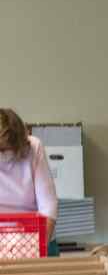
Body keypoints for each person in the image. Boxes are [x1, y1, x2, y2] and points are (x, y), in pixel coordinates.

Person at [0, 108, 58, 252]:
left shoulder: (33, 146)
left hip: (34, 235)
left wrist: (38, 249)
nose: (6, 156)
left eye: (10, 150)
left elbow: (48, 205)